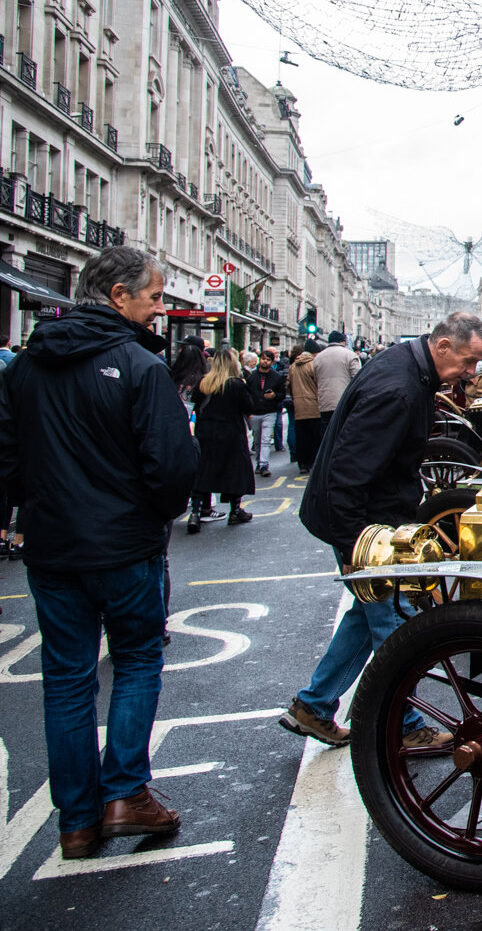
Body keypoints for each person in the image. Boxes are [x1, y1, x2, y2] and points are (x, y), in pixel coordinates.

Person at [0, 246, 198, 859]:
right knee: (137, 660)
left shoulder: (25, 367)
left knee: (65, 680)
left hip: (53, 549)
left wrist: (36, 510)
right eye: (154, 297)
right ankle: (126, 794)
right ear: (118, 296)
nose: (160, 309)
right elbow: (172, 466)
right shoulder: (138, 366)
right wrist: (151, 515)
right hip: (125, 548)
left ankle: (78, 821)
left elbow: (6, 463)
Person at [282, 312, 482, 747]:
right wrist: (352, 545)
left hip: (372, 520)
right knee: (395, 625)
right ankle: (407, 727)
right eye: (469, 362)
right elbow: (348, 470)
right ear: (443, 347)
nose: (472, 373)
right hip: (368, 530)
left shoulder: (407, 368)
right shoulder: (398, 388)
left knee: (366, 616)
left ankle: (314, 706)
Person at [190, 350, 257, 531]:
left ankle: (195, 513)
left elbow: (195, 404)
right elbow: (249, 406)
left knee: (203, 470)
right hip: (231, 432)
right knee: (234, 470)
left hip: (206, 432)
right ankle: (235, 510)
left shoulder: (204, 382)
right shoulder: (235, 384)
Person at [246, 352, 286, 478]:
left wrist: (274, 396)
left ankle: (264, 464)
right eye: (263, 359)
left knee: (266, 439)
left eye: (268, 360)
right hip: (255, 411)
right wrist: (249, 412)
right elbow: (246, 394)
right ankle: (259, 462)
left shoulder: (277, 377)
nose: (265, 362)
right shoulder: (252, 376)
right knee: (257, 439)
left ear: (272, 361)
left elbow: (282, 394)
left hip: (270, 411)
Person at [312, 330, 361, 428]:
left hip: (324, 402)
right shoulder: (350, 355)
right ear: (342, 342)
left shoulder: (318, 358)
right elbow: (358, 379)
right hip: (344, 402)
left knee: (327, 431)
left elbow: (315, 378)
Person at [289, 340, 320, 473]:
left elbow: (289, 385)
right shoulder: (314, 365)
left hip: (299, 405)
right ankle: (312, 461)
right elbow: (319, 384)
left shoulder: (293, 366)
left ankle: (302, 463)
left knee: (301, 435)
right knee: (314, 436)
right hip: (314, 405)